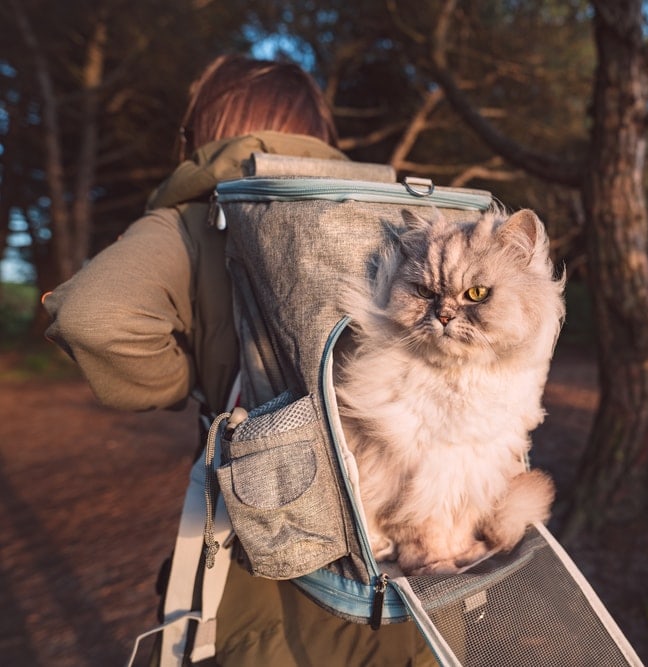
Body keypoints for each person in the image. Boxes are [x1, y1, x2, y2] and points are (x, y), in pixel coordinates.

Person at [43, 54, 435, 667]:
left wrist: (189, 381)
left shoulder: (196, 220)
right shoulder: (394, 217)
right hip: (423, 569)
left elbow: (94, 317)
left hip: (267, 573)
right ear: (319, 134)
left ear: (203, 130)